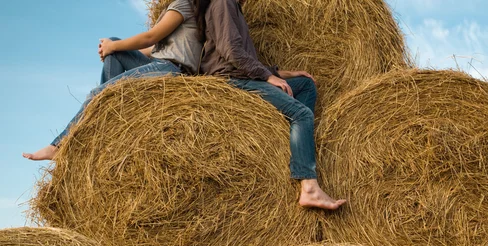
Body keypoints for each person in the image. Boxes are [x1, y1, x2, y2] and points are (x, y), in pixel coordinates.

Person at [201, 0, 346, 210]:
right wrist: (268, 77)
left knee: (305, 85)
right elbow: (231, 51)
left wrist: (282, 74)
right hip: (232, 81)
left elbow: (245, 59)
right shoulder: (223, 2)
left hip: (245, 77)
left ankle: (295, 144)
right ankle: (309, 187)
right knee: (301, 114)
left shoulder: (234, 8)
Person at [23, 0, 204, 161]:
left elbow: (150, 37)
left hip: (172, 69)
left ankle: (58, 146)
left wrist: (114, 46)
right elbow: (154, 49)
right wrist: (112, 49)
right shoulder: (176, 10)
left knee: (99, 93)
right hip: (162, 64)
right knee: (115, 48)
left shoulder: (183, 5)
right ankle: (111, 123)